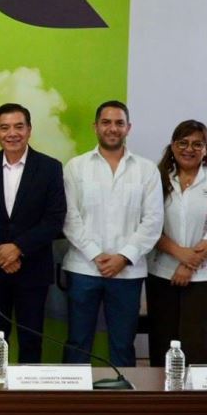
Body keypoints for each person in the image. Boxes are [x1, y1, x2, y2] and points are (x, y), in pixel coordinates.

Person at [62, 100, 163, 367]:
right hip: (84, 268)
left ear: (128, 128)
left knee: (122, 343)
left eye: (119, 123)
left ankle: (125, 393)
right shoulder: (76, 167)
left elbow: (153, 221)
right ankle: (73, 394)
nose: (112, 128)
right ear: (95, 127)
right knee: (78, 341)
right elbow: (70, 217)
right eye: (106, 122)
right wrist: (96, 254)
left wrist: (123, 257)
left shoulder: (146, 169)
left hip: (127, 272)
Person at [0, 103, 66, 365]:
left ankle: (29, 392)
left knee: (31, 340)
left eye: (18, 127)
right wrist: (0, 254)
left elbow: (54, 219)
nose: (12, 133)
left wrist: (18, 248)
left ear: (29, 130)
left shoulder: (50, 168)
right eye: (5, 128)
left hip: (32, 269)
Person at [146, 120, 207, 366]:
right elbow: (148, 225)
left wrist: (189, 264)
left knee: (196, 344)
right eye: (183, 143)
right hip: (161, 273)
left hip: (206, 276)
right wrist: (180, 254)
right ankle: (160, 392)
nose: (189, 149)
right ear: (172, 146)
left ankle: (197, 393)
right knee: (162, 343)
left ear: (206, 149)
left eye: (197, 144)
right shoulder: (156, 179)